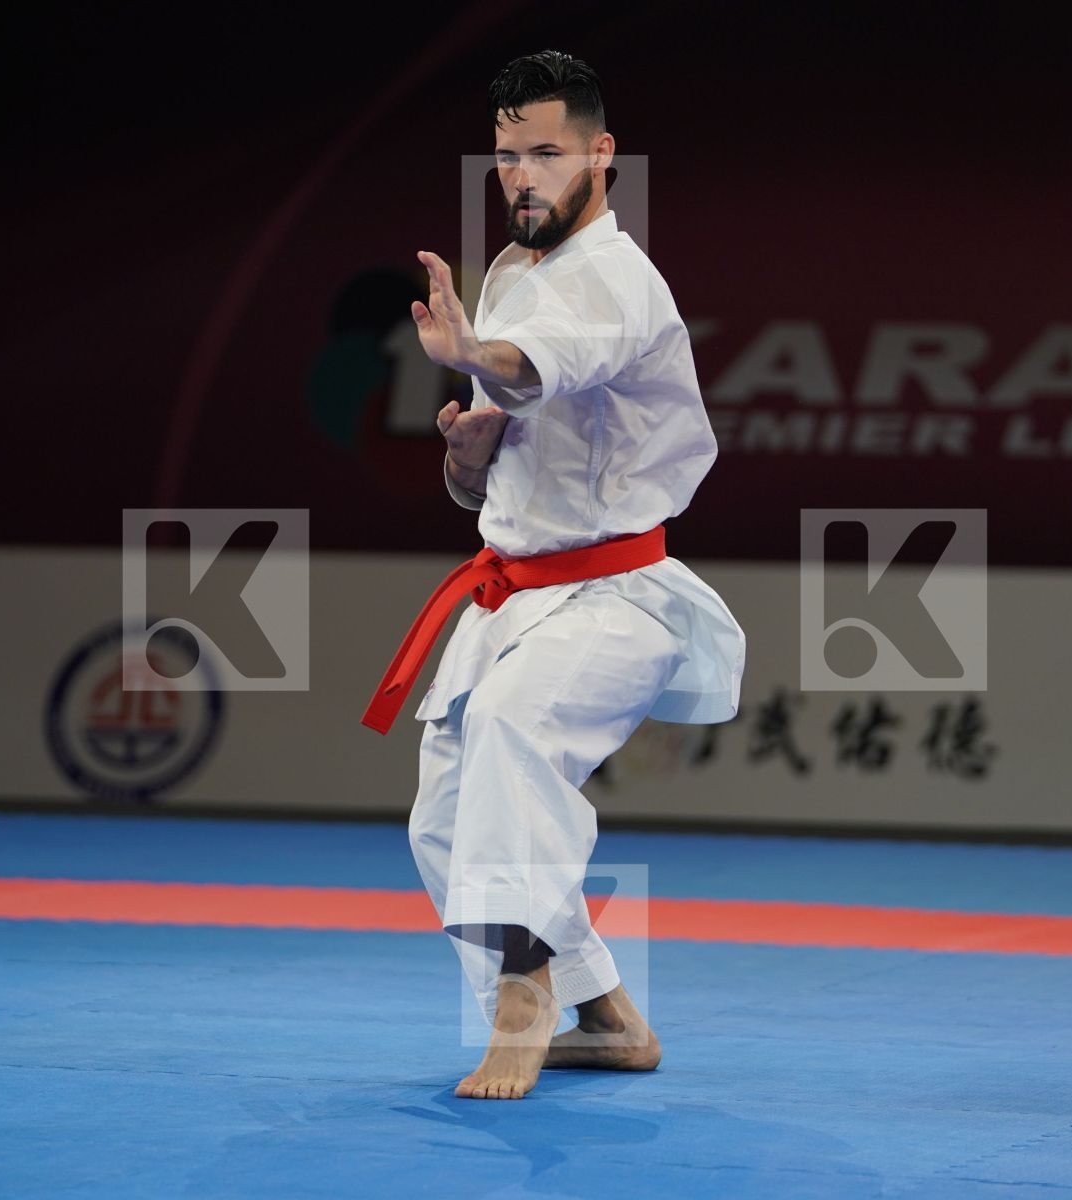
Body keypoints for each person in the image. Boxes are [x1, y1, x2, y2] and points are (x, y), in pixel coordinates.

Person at [362, 50, 744, 1100]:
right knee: (443, 816)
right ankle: (605, 1013)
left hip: (620, 597)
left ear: (601, 154)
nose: (522, 175)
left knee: (514, 734)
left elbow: (534, 367)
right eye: (504, 157)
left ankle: (523, 995)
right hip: (517, 591)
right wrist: (466, 452)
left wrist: (478, 355)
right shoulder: (513, 277)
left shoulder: (617, 278)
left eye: (545, 152)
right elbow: (490, 466)